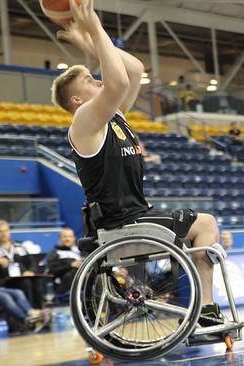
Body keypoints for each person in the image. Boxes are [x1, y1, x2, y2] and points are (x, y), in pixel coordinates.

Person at [52, 0, 222, 326]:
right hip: (122, 225)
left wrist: (89, 42)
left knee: (204, 225)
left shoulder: (112, 116)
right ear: (76, 100)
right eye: (89, 80)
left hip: (133, 218)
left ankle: (204, 307)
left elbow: (133, 71)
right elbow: (116, 81)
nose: (98, 80)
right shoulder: (84, 121)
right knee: (206, 224)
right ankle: (206, 307)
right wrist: (95, 28)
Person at [0, 220, 46, 309]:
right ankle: (29, 311)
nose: (4, 234)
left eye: (6, 231)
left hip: (22, 276)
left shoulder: (19, 245)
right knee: (25, 282)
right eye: (0, 231)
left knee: (36, 280)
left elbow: (31, 261)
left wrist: (30, 271)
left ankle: (39, 309)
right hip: (5, 279)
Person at [47, 228, 83, 294]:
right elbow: (51, 269)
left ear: (74, 238)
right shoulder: (55, 253)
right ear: (60, 238)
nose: (67, 239)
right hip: (62, 283)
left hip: (82, 281)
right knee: (74, 271)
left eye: (70, 236)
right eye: (65, 237)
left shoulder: (80, 251)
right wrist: (70, 265)